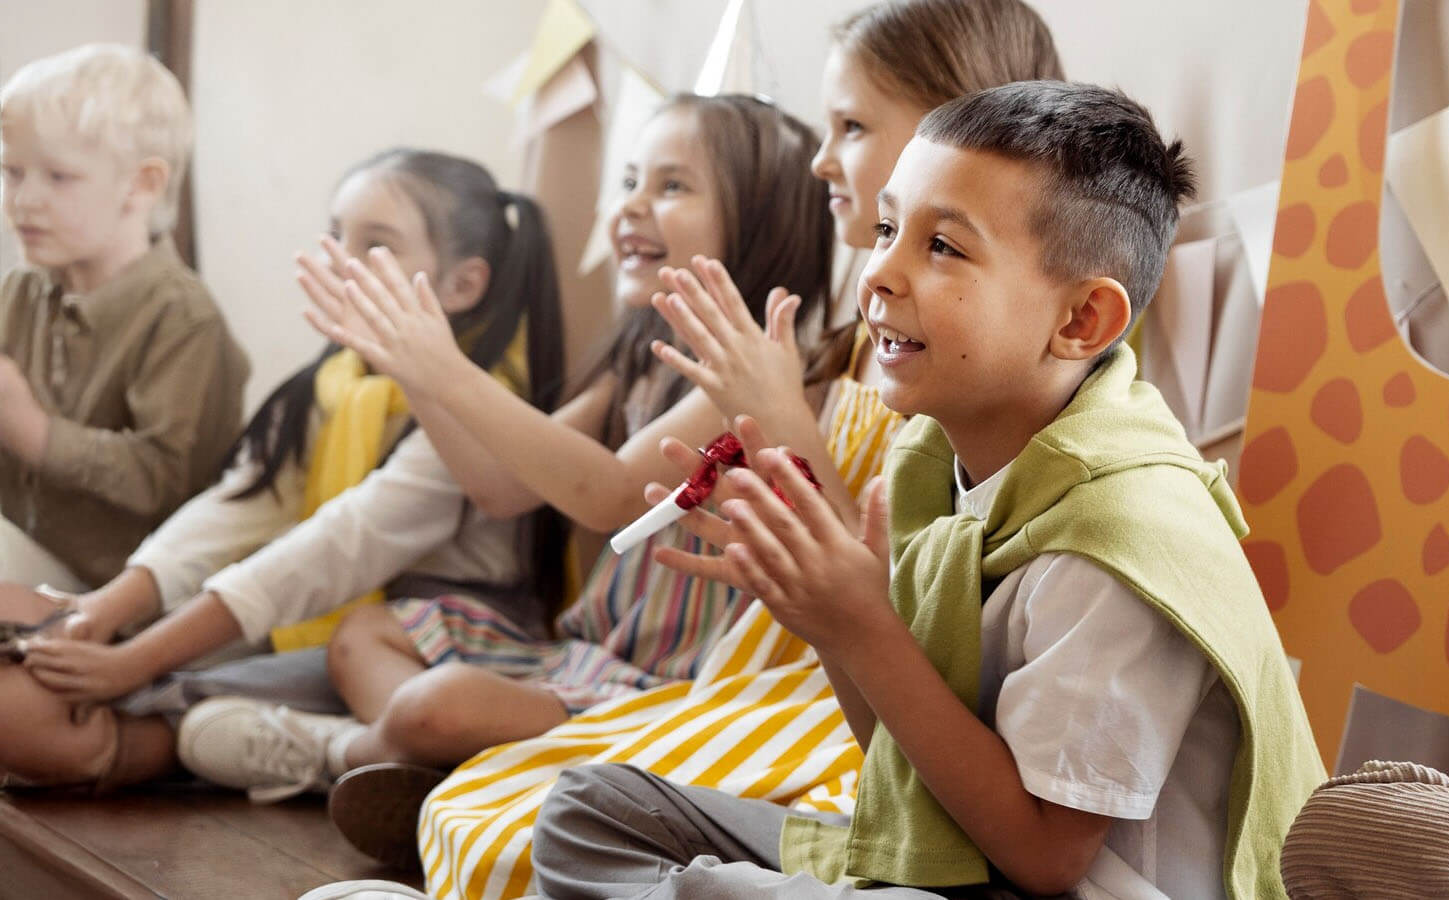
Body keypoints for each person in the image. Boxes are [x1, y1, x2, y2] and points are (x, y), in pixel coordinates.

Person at [531, 81, 1326, 900]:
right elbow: (907, 765)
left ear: (1082, 321)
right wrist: (835, 626)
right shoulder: (931, 464)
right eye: (885, 229)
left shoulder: (1121, 540)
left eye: (942, 247)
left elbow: (1048, 858)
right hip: (965, 859)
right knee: (591, 810)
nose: (878, 272)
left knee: (711, 890)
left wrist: (865, 627)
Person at [398, 1, 1069, 893]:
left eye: (853, 126)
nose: (822, 159)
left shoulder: (970, 360)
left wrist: (778, 419)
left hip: (851, 703)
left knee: (510, 825)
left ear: (961, 124)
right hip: (762, 674)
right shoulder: (859, 339)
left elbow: (904, 595)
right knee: (474, 808)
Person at [176, 94, 837, 806]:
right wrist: (412, 366)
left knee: (439, 707)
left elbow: (611, 494)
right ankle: (431, 773)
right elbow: (502, 487)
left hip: (671, 694)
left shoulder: (754, 369)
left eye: (671, 186)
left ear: (763, 220)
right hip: (590, 659)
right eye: (630, 182)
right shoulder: (637, 361)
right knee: (365, 634)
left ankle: (345, 754)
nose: (632, 206)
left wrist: (446, 369)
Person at [0, 148, 566, 792]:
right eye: (334, 234)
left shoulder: (481, 409)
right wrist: (110, 606)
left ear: (461, 286)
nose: (338, 261)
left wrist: (136, 660)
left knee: (45, 711)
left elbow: (334, 549)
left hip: (420, 643)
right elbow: (241, 504)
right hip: (315, 627)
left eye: (374, 245)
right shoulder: (337, 380)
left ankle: (315, 754)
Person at [0, 43, 247, 590]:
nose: (23, 201)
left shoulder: (182, 318)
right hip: (25, 553)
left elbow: (162, 478)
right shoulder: (21, 289)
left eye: (58, 177)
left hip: (119, 592)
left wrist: (34, 433)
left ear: (143, 185)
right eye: (12, 173)